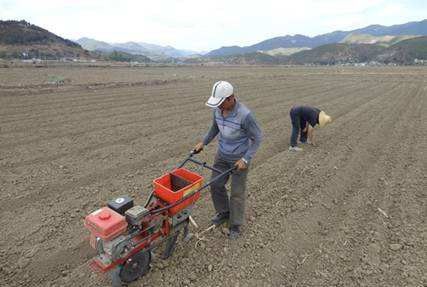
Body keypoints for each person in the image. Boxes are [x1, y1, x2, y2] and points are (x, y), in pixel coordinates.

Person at [194, 81, 262, 240]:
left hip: (239, 159)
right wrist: (203, 142)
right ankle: (224, 213)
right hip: (222, 155)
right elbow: (214, 129)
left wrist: (245, 158)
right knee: (216, 184)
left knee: (237, 193)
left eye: (221, 103)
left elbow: (257, 138)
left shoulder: (245, 115)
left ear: (231, 98)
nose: (219, 107)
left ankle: (236, 224)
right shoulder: (218, 111)